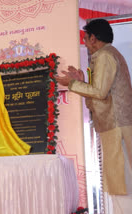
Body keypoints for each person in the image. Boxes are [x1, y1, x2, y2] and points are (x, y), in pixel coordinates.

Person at [55, 19, 132, 213]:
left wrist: (71, 84)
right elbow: (100, 93)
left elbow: (99, 92)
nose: (85, 43)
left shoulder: (104, 55)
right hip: (115, 126)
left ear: (94, 38)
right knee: (120, 183)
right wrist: (82, 82)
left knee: (121, 184)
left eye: (86, 39)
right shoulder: (107, 55)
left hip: (117, 127)